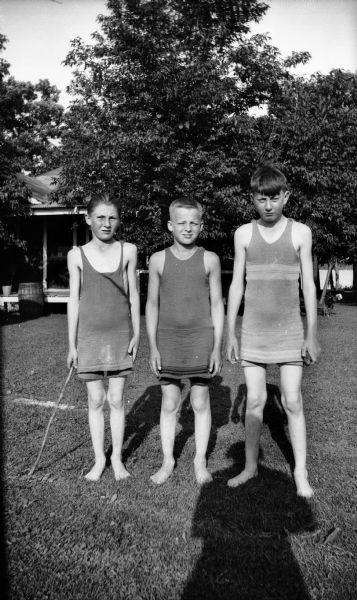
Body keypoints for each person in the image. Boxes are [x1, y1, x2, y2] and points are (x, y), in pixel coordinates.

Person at [226, 164, 320, 497]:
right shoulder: (242, 234)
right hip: (252, 331)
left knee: (292, 401)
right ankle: (250, 467)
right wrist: (230, 333)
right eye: (261, 199)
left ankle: (300, 473)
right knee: (254, 400)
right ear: (253, 198)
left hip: (289, 331)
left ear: (286, 197)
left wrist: (311, 333)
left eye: (274, 198)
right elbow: (236, 285)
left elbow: (308, 285)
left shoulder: (300, 233)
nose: (268, 205)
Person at [146, 197, 224, 485]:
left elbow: (217, 304)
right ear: (170, 225)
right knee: (169, 401)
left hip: (201, 338)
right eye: (181, 222)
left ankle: (200, 460)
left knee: (200, 400)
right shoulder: (157, 260)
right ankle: (168, 460)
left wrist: (217, 345)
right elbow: (152, 304)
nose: (187, 228)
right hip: (167, 339)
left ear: (201, 226)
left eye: (193, 223)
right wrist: (153, 345)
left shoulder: (210, 259)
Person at [67, 193, 140, 482]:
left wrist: (136, 333)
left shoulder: (129, 251)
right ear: (88, 219)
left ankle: (118, 459)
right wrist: (71, 344)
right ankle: (99, 460)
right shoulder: (76, 254)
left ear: (118, 220)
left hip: (120, 334)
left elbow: (134, 296)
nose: (106, 223)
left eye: (111, 217)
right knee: (96, 399)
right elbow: (74, 299)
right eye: (100, 217)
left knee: (117, 398)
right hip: (89, 336)